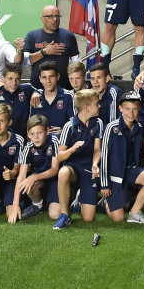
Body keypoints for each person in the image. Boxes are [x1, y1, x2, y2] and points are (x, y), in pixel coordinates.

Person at [98, 91, 144, 225]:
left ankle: (134, 213)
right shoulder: (111, 128)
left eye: (134, 109)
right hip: (114, 175)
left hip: (130, 170)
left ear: (139, 109)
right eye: (127, 109)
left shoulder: (138, 127)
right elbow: (104, 156)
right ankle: (106, 201)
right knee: (118, 218)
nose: (131, 113)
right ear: (120, 109)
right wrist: (104, 184)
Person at [54, 89, 103, 228]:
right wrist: (72, 148)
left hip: (89, 169)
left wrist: (95, 164)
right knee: (63, 172)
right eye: (96, 103)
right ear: (86, 108)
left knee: (88, 218)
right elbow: (59, 156)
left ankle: (77, 200)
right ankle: (64, 215)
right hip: (73, 168)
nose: (99, 106)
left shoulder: (97, 123)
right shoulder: (69, 126)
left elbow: (97, 150)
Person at [11, 115, 60, 223]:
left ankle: (69, 198)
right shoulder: (28, 147)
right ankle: (37, 204)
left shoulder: (54, 141)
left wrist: (34, 176)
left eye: (39, 133)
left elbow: (54, 169)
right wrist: (15, 206)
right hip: (38, 182)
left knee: (55, 214)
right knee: (26, 183)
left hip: (54, 181)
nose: (36, 137)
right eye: (32, 134)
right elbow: (21, 176)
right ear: (28, 134)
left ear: (47, 131)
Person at [20, 5, 79, 90]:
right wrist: (45, 52)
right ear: (42, 19)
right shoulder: (32, 36)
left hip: (65, 89)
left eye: (57, 16)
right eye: (50, 16)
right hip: (38, 90)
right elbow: (24, 62)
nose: (55, 19)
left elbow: (76, 62)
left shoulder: (68, 35)